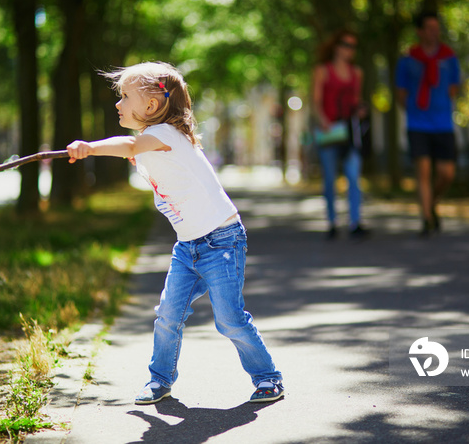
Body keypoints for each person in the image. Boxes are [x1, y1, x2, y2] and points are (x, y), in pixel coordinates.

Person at [66, 62, 284, 405]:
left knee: (229, 319)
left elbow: (129, 145)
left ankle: (268, 377)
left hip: (221, 241)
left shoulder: (165, 135)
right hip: (188, 246)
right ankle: (160, 380)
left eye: (124, 96)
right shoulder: (155, 142)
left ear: (151, 106)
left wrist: (90, 148)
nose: (117, 104)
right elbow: (141, 155)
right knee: (168, 314)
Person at [396, 11, 461, 237]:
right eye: (429, 28)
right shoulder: (407, 60)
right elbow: (401, 93)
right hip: (418, 124)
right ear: (420, 31)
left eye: (437, 28)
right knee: (422, 172)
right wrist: (414, 109)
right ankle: (426, 218)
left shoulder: (449, 58)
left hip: (443, 124)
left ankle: (431, 204)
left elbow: (455, 87)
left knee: (446, 174)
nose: (434, 33)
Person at [312, 29, 370, 240]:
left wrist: (361, 110)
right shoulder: (323, 70)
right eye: (346, 44)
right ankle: (332, 222)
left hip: (349, 132)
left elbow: (356, 100)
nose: (350, 50)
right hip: (328, 132)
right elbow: (316, 102)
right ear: (336, 46)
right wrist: (323, 121)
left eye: (353, 46)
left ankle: (355, 222)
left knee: (354, 177)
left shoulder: (357, 73)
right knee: (329, 179)